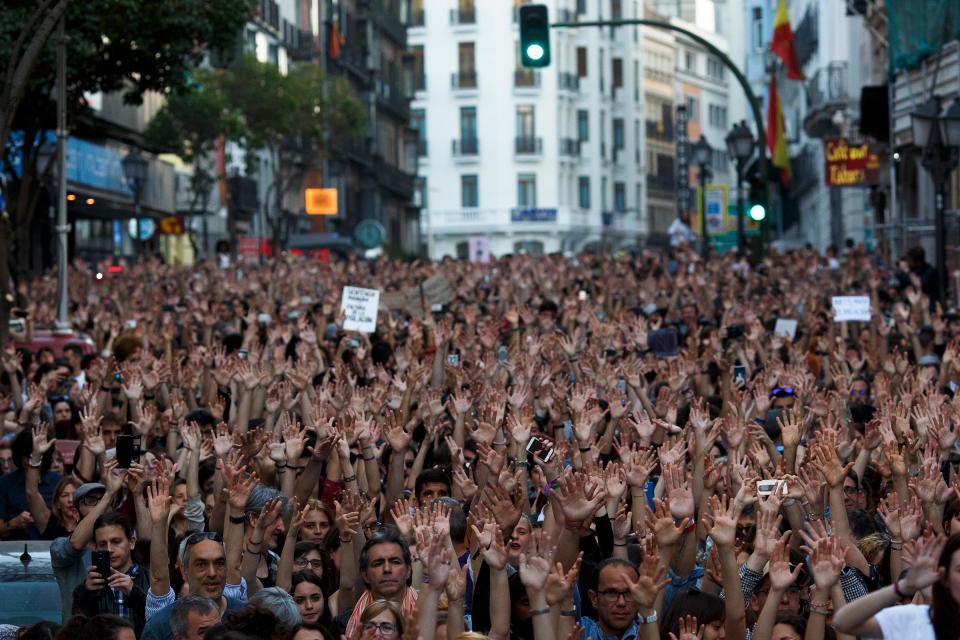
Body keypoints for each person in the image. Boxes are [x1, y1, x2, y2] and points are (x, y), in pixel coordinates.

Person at [833, 533, 955, 639]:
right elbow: (842, 622)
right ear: (946, 576)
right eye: (959, 570)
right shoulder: (912, 617)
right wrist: (904, 586)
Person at [72, 511, 149, 636]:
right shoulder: (88, 587)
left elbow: (161, 625)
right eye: (102, 544)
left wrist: (134, 593)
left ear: (132, 542)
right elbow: (78, 633)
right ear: (96, 548)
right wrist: (87, 594)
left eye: (116, 541)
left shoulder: (151, 580)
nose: (109, 549)